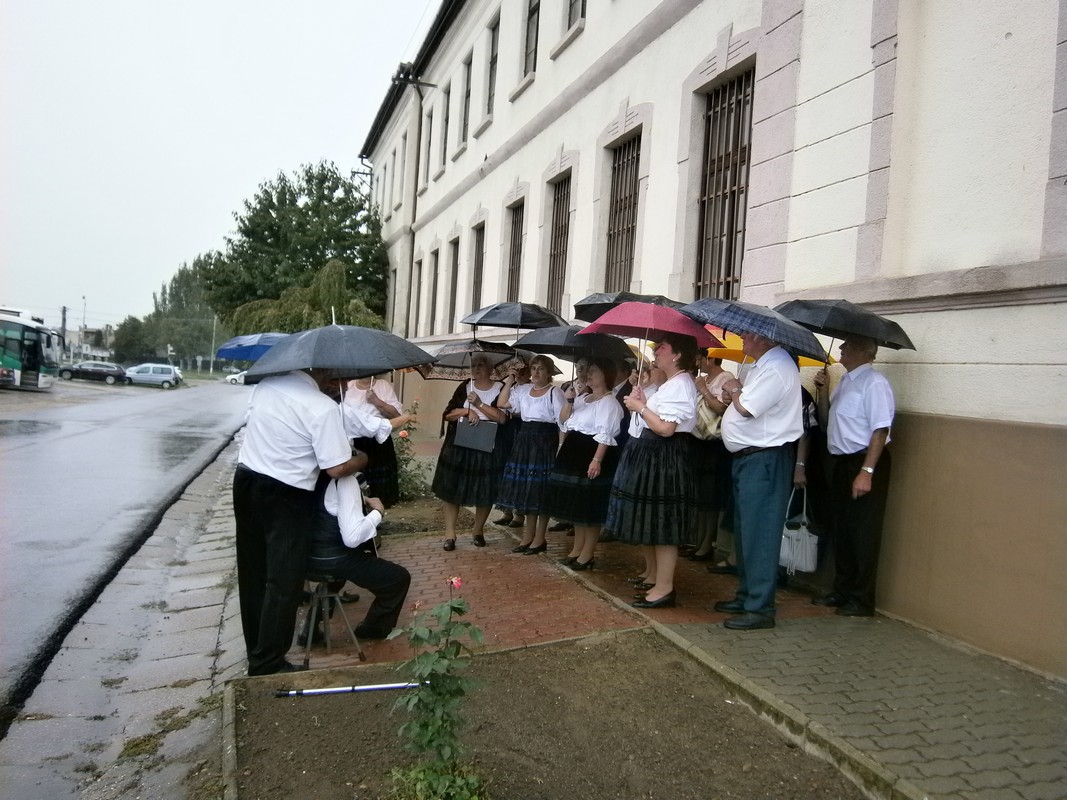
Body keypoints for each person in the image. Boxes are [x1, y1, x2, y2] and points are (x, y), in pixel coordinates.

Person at [233, 368, 368, 675]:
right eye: (335, 377)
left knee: (253, 573)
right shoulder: (322, 407)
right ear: (325, 371)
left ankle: (256, 650)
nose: (338, 383)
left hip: (246, 481)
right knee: (284, 579)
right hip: (287, 493)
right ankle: (268, 662)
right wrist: (361, 459)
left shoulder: (267, 385)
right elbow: (336, 468)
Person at [715, 332, 803, 630]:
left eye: (748, 334)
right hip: (750, 459)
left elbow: (746, 408)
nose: (742, 337)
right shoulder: (762, 365)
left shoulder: (777, 367)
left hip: (764, 460)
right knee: (746, 533)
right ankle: (747, 596)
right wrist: (734, 393)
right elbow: (743, 401)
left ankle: (760, 608)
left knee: (760, 534)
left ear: (765, 338)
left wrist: (733, 389)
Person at [605, 333, 699, 609]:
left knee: (664, 522)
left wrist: (640, 406)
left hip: (665, 457)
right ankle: (657, 579)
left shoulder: (681, 384)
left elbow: (666, 428)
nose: (656, 351)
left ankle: (665, 588)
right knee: (654, 520)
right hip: (654, 455)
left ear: (677, 354)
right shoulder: (671, 383)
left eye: (662, 347)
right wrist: (643, 400)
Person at [812, 335, 895, 617]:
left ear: (863, 350)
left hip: (863, 461)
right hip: (840, 462)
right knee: (842, 528)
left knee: (862, 532)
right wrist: (823, 392)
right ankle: (842, 589)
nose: (841, 349)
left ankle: (861, 599)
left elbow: (880, 430)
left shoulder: (874, 383)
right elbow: (826, 421)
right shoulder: (846, 382)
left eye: (846, 345)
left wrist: (866, 472)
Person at [303, 470, 411, 642]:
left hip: (307, 561)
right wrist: (378, 512)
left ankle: (309, 630)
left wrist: (360, 499)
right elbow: (353, 538)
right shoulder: (345, 482)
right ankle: (372, 629)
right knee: (399, 578)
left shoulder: (311, 475)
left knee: (334, 579)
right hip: (337, 560)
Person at [548, 357, 624, 568]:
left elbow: (605, 434)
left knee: (590, 508)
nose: (588, 375)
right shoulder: (583, 397)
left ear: (606, 375)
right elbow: (564, 420)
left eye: (594, 371)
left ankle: (587, 554)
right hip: (574, 451)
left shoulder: (609, 402)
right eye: (588, 371)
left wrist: (596, 460)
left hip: (591, 453)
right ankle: (576, 550)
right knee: (578, 506)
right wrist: (569, 400)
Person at [431, 354, 507, 551]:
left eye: (481, 365)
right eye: (474, 365)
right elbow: (448, 414)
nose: (476, 368)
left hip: (487, 445)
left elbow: (502, 418)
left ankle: (478, 531)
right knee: (452, 488)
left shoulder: (500, 388)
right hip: (460, 445)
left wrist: (480, 404)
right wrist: (466, 411)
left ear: (491, 368)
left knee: (485, 489)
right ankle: (450, 534)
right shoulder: (465, 386)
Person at [495, 355, 566, 554]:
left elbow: (562, 423)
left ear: (549, 372)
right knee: (527, 490)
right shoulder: (524, 390)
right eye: (533, 368)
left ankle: (540, 538)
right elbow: (502, 403)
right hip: (525, 440)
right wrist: (510, 379)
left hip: (545, 442)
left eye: (540, 368)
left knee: (540, 491)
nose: (536, 372)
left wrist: (560, 448)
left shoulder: (555, 392)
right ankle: (528, 536)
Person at [689, 354, 731, 561]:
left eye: (700, 358)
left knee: (711, 496)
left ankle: (707, 543)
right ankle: (698, 540)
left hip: (715, 443)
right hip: (699, 441)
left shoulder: (726, 378)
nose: (697, 362)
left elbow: (722, 408)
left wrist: (703, 390)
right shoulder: (703, 378)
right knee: (701, 496)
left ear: (711, 358)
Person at [344, 375, 406, 507]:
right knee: (357, 482)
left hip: (379, 440)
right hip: (356, 441)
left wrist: (376, 401)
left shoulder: (383, 386)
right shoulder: (348, 386)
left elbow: (396, 416)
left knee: (380, 488)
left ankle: (379, 512)